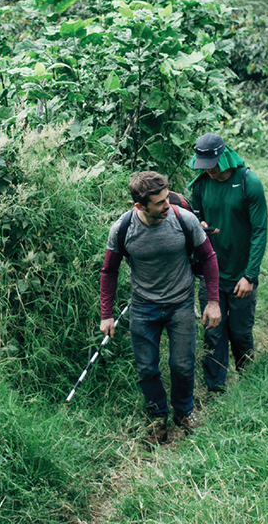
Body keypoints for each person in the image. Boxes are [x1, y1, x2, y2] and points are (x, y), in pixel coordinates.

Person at [100, 171, 221, 439]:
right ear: (140, 206)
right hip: (143, 306)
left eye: (168, 198)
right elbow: (109, 271)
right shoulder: (122, 230)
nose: (168, 205)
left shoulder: (183, 219)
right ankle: (157, 419)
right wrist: (106, 315)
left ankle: (184, 411)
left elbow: (209, 257)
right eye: (160, 203)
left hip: (181, 303)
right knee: (146, 368)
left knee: (182, 364)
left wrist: (212, 301)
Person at [187, 133, 268, 394]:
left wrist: (250, 275)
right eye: (204, 166)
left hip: (241, 273)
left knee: (240, 332)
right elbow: (195, 220)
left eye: (212, 164)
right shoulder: (199, 185)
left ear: (223, 157)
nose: (208, 170)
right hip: (211, 274)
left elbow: (260, 230)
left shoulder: (248, 182)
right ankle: (215, 390)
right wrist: (199, 227)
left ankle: (247, 381)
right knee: (213, 332)